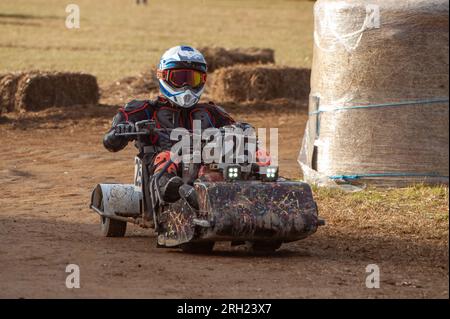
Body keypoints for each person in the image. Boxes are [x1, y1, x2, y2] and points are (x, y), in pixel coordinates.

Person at [103, 45, 252, 209]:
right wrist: (121, 131)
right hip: (162, 168)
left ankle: (265, 196)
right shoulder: (145, 109)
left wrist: (242, 129)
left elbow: (237, 130)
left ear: (202, 80)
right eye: (180, 79)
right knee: (167, 157)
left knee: (245, 156)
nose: (186, 86)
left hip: (205, 164)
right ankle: (178, 192)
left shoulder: (211, 112)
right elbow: (111, 142)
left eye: (192, 79)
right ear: (163, 77)